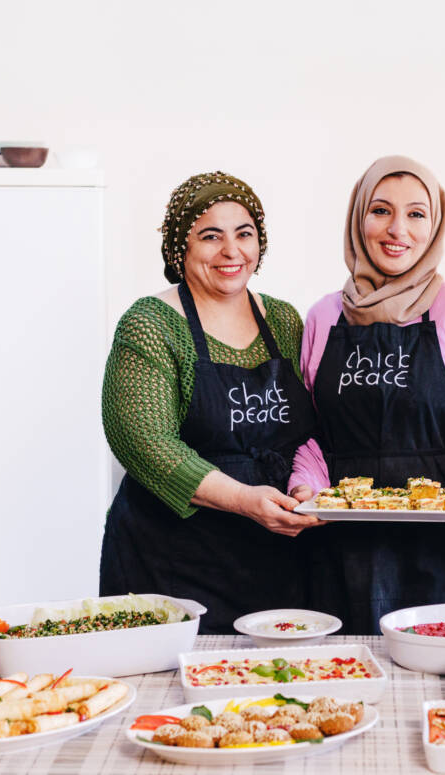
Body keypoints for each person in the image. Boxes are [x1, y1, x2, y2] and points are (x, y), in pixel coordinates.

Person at [288, 155, 445, 634]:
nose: (397, 230)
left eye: (416, 214)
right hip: (340, 546)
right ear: (358, 217)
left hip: (443, 552)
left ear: (435, 226)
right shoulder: (323, 316)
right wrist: (304, 487)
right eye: (381, 210)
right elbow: (313, 437)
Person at [99, 171, 319, 634]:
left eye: (244, 234)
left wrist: (307, 485)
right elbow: (143, 442)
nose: (231, 251)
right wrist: (242, 498)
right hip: (173, 559)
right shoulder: (151, 324)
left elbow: (312, 428)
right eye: (211, 236)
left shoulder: (283, 320)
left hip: (278, 555)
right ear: (180, 247)